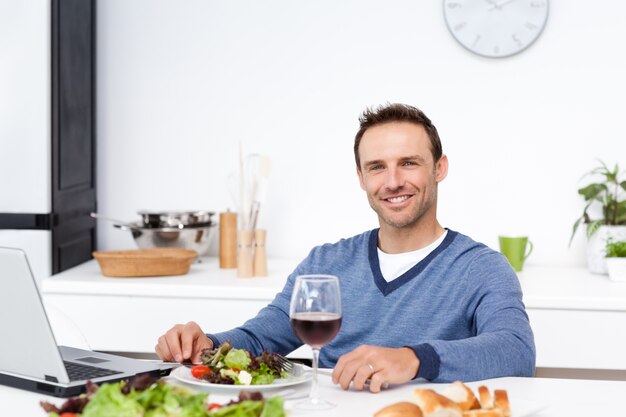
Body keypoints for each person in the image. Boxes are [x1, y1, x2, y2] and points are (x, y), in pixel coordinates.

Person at [155, 103, 536, 393]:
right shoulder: (327, 262)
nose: (393, 181)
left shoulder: (481, 267)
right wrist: (209, 345)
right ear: (360, 177)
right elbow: (259, 338)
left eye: (408, 163)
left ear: (439, 168)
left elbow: (517, 350)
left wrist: (414, 358)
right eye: (376, 167)